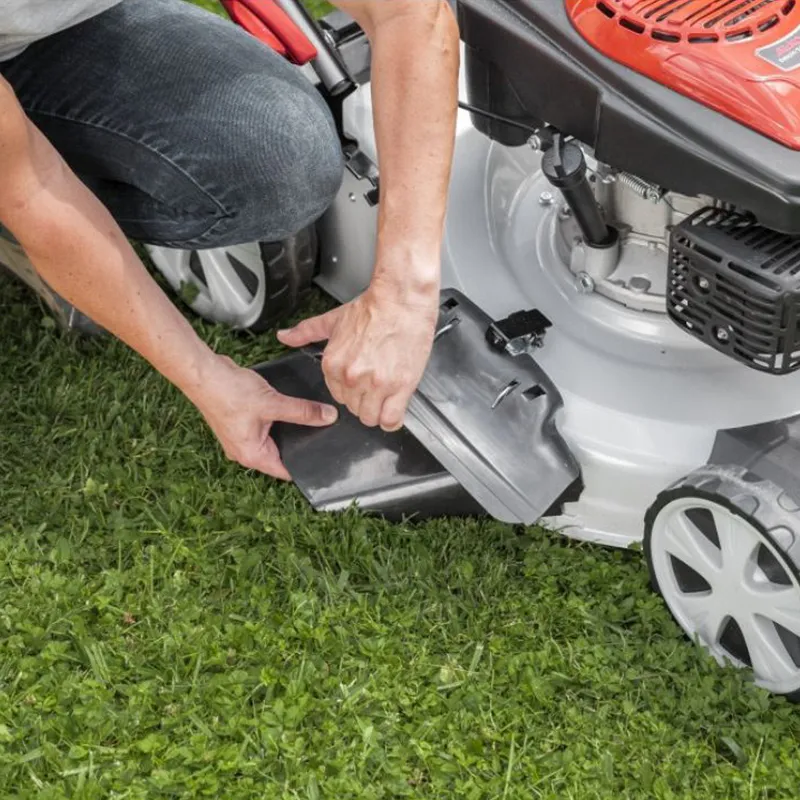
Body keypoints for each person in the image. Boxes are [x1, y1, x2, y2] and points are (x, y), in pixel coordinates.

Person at [0, 0, 458, 480]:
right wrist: (208, 379)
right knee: (17, 183)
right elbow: (33, 192)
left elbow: (410, 13)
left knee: (284, 159)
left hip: (64, 25)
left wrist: (405, 292)